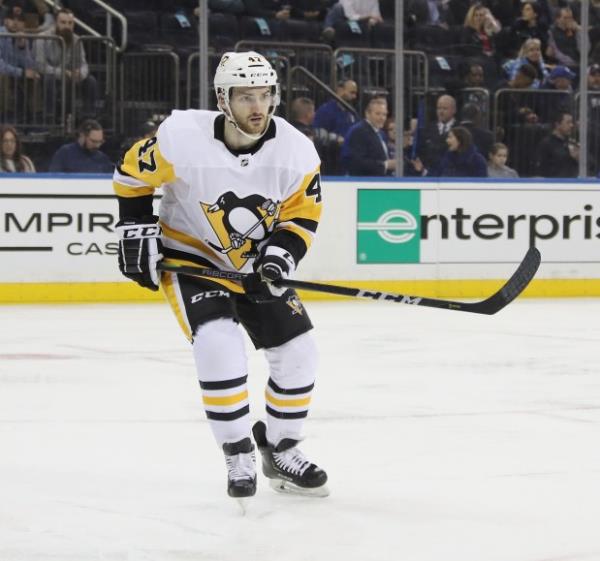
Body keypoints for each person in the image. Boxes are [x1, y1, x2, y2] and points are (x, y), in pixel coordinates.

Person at [112, 51, 328, 504]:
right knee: (218, 343)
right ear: (222, 99)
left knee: (299, 352)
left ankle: (282, 447)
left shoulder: (296, 151)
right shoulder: (180, 140)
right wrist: (135, 225)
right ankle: (238, 452)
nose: (257, 107)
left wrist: (280, 257)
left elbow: (300, 218)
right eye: (245, 96)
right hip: (191, 257)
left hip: (254, 266)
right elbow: (130, 176)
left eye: (265, 95)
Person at [34, 7, 98, 118]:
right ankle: (50, 118)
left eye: (70, 23)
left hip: (70, 77)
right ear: (55, 23)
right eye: (63, 22)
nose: (67, 26)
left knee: (90, 81)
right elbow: (40, 65)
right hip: (50, 77)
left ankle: (88, 118)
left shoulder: (77, 40)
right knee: (49, 79)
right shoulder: (42, 38)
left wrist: (80, 73)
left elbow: (83, 64)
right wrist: (63, 72)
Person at [341, 95, 394, 175]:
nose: (382, 118)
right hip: (363, 182)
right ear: (367, 114)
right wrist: (385, 165)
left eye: (384, 114)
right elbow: (356, 161)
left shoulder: (381, 134)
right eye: (378, 114)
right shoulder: (359, 131)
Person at [416, 126, 487, 177]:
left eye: (450, 137)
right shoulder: (447, 158)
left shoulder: (478, 160)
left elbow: (481, 185)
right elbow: (436, 176)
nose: (447, 140)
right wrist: (422, 170)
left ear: (460, 140)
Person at [416, 93, 457, 172]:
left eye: (445, 108)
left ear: (454, 110)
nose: (441, 112)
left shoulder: (460, 129)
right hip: (430, 176)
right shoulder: (427, 129)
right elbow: (421, 152)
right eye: (438, 108)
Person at [535, 111, 579, 178]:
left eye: (572, 122)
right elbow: (541, 170)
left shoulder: (572, 143)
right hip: (555, 185)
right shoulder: (546, 144)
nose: (571, 125)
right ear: (558, 124)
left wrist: (578, 158)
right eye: (568, 122)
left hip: (573, 184)